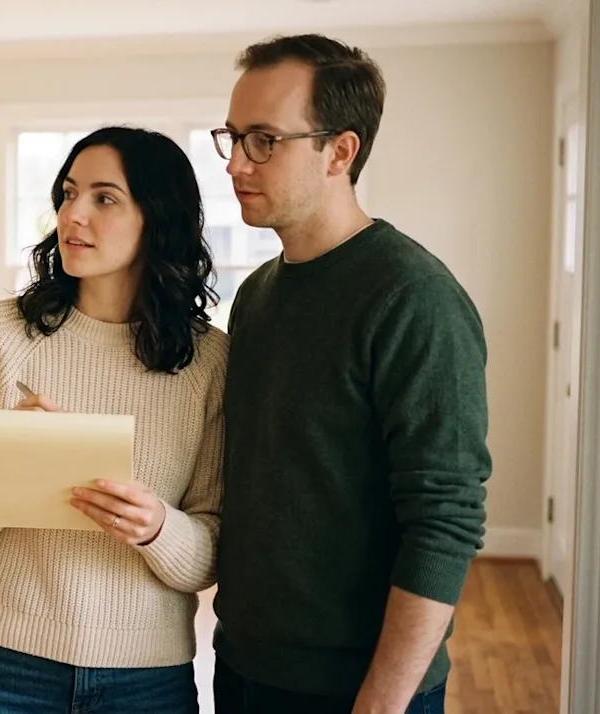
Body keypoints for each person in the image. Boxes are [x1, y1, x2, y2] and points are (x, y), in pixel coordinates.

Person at [210, 34, 490, 714]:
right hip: (244, 667)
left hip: (357, 691)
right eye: (234, 136)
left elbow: (445, 518)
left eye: (265, 141)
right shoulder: (257, 295)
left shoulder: (413, 298)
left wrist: (382, 701)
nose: (237, 163)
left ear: (340, 151)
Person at [0, 125, 228, 714]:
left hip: (147, 677)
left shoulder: (210, 361)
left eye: (104, 198)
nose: (72, 214)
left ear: (157, 219)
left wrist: (158, 525)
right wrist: (6, 465)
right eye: (67, 193)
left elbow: (213, 551)